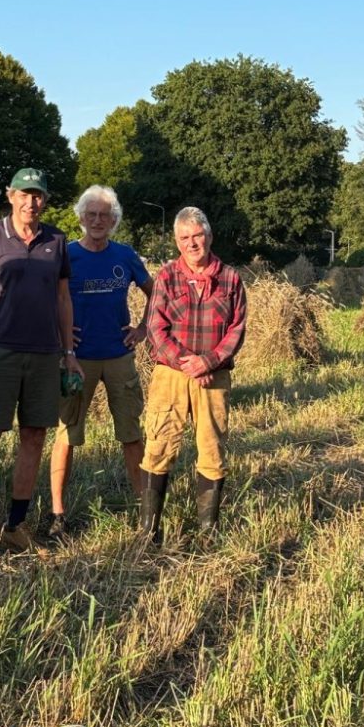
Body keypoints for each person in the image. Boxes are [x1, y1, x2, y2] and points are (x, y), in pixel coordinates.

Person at [0, 168, 83, 556]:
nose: (32, 201)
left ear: (45, 200)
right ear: (10, 196)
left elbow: (64, 300)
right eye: (25, 194)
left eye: (38, 195)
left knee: (34, 436)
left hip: (45, 354)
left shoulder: (57, 241)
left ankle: (16, 525)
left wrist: (68, 353)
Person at [48, 185, 154, 538]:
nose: (97, 221)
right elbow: (46, 298)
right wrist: (61, 340)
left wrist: (142, 328)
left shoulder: (125, 255)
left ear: (114, 220)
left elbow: (157, 292)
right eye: (91, 215)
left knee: (131, 433)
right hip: (77, 361)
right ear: (80, 218)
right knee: (67, 434)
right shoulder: (67, 254)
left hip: (119, 356)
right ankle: (58, 515)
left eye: (104, 215)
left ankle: (145, 512)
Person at [139, 206, 247, 547]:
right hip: (171, 376)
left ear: (209, 237)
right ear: (176, 241)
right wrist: (189, 363)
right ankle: (149, 533)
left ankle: (206, 534)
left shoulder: (230, 278)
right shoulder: (167, 276)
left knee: (212, 450)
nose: (192, 243)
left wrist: (209, 362)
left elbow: (237, 329)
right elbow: (156, 328)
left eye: (197, 236)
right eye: (184, 238)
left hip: (213, 378)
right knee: (158, 447)